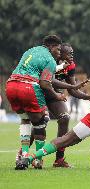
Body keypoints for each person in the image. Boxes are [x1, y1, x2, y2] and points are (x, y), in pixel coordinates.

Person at [5, 35, 65, 169]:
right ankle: (38, 160)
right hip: (28, 87)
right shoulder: (49, 59)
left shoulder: (30, 50)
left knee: (25, 119)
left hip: (11, 85)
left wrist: (61, 66)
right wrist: (57, 95)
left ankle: (24, 155)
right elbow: (44, 83)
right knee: (42, 121)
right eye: (58, 50)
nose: (59, 53)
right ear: (51, 46)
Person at [45, 43, 90, 168]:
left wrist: (89, 97)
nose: (72, 55)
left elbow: (73, 90)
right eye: (69, 53)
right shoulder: (51, 61)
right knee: (40, 122)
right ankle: (25, 153)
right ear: (61, 53)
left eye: (72, 53)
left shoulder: (70, 66)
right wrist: (72, 86)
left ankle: (59, 159)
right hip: (41, 92)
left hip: (55, 96)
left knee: (65, 117)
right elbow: (50, 81)